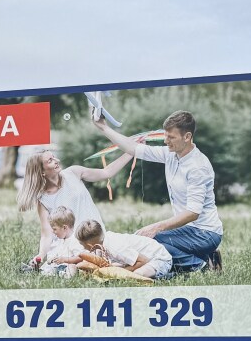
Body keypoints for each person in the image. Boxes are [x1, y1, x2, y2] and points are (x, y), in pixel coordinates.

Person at [91, 109, 223, 274]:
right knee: (146, 243)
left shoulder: (198, 167)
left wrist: (157, 227)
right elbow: (133, 148)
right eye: (165, 135)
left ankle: (201, 266)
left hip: (205, 233)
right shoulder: (170, 154)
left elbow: (193, 213)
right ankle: (206, 258)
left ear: (187, 137)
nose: (166, 141)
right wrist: (103, 127)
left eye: (171, 137)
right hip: (188, 230)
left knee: (152, 244)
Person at [16, 148, 132, 259]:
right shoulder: (43, 199)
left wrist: (132, 151)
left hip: (97, 235)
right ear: (41, 172)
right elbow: (47, 234)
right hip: (74, 246)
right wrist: (41, 255)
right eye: (50, 161)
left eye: (54, 157)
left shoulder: (73, 172)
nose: (57, 161)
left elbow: (107, 172)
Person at [73, 220, 172, 281]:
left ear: (90, 245)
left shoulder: (115, 248)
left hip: (158, 259)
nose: (83, 248)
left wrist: (122, 272)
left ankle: (162, 276)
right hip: (143, 258)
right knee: (113, 267)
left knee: (136, 275)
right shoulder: (103, 243)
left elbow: (144, 260)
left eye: (82, 245)